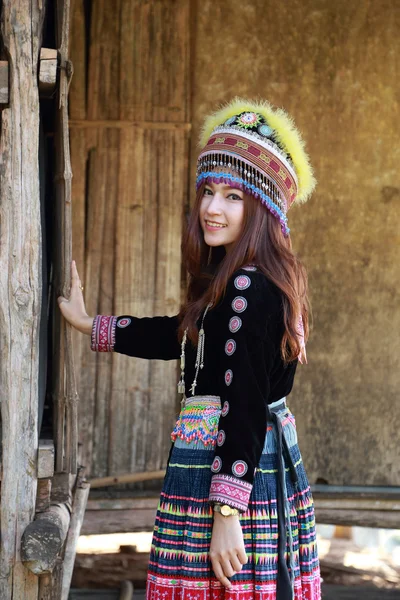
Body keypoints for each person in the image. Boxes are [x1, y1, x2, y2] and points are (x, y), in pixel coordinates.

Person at [58, 98, 322, 600]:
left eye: (232, 197)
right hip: (237, 463)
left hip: (231, 471)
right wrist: (92, 324)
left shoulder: (250, 289)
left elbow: (242, 400)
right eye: (208, 191)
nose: (212, 208)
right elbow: (179, 335)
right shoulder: (240, 281)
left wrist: (226, 515)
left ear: (264, 210)